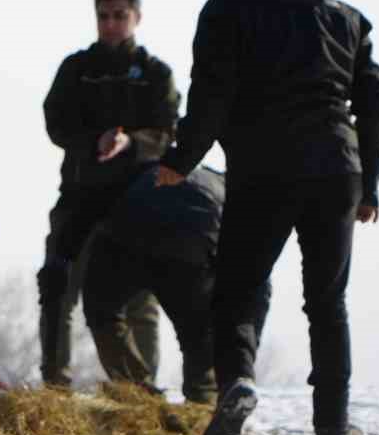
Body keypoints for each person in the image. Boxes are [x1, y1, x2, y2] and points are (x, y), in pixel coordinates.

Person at [158, 0, 379, 435]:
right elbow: (377, 103)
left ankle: (237, 381)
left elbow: (211, 93)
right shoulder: (346, 18)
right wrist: (371, 182)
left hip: (264, 167)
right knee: (328, 303)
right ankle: (332, 426)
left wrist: (180, 160)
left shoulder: (227, 8)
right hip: (337, 168)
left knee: (237, 289)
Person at [40, 0, 178, 387]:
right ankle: (54, 384)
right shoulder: (76, 68)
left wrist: (130, 142)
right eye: (104, 15)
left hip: (135, 200)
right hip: (80, 193)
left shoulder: (156, 73)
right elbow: (55, 122)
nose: (111, 23)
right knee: (57, 286)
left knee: (138, 297)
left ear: (136, 17)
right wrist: (93, 141)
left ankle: (141, 391)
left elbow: (168, 132)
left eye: (120, 15)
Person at [84, 165, 270, 403]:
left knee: (103, 313)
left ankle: (137, 392)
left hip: (126, 235)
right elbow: (256, 286)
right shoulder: (231, 194)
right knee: (199, 337)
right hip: (186, 248)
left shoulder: (151, 169)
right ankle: (202, 407)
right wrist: (245, 357)